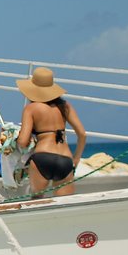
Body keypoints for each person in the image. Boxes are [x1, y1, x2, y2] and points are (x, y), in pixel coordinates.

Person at [16, 67, 85, 196]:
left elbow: (23, 142)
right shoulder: (65, 106)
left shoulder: (31, 109)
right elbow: (82, 134)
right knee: (64, 205)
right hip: (65, 159)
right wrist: (76, 158)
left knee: (37, 202)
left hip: (43, 157)